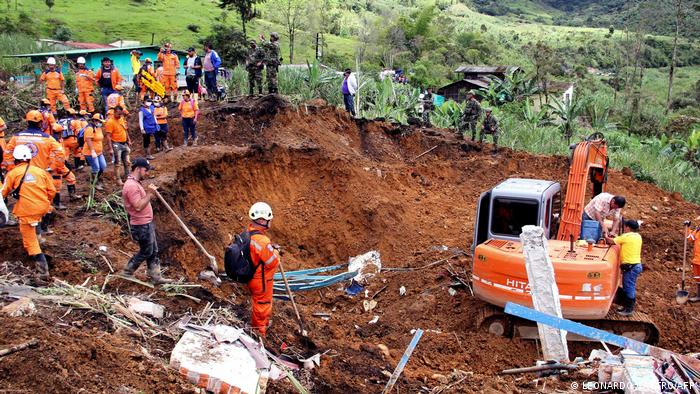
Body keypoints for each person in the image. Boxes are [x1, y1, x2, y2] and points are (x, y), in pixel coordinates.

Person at [1, 145, 56, 282]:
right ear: (30, 159)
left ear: (15, 159)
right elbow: (52, 191)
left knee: (29, 241)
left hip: (27, 210)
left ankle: (42, 271)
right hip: (43, 207)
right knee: (36, 219)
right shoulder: (40, 172)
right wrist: (45, 203)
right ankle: (41, 233)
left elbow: (2, 193)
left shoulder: (13, 174)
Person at [120, 157, 172, 284]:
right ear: (138, 169)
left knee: (153, 250)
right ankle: (127, 272)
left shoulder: (136, 183)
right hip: (141, 225)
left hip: (146, 223)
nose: (147, 172)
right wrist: (149, 193)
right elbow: (138, 206)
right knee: (146, 250)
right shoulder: (131, 186)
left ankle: (155, 277)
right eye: (146, 170)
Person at [245, 202, 280, 337]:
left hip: (253, 276)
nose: (270, 221)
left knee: (259, 304)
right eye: (269, 219)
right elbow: (273, 262)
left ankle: (260, 326)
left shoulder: (249, 233)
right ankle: (259, 334)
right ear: (261, 220)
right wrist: (276, 252)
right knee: (262, 305)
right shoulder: (262, 241)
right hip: (261, 280)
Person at [606, 219, 642, 316]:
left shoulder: (626, 236)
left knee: (629, 287)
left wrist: (606, 235)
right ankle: (627, 306)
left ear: (628, 228)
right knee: (629, 286)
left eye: (625, 227)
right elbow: (621, 240)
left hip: (631, 266)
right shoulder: (638, 236)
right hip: (636, 265)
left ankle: (629, 309)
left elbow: (611, 241)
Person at [103, 106, 131, 185]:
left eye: (121, 114)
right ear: (114, 112)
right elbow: (108, 136)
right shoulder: (110, 122)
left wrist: (128, 139)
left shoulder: (121, 119)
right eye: (118, 114)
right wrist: (110, 148)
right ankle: (118, 179)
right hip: (116, 144)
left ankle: (128, 176)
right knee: (118, 163)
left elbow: (124, 129)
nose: (119, 116)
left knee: (127, 162)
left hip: (124, 143)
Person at [83, 113, 107, 190]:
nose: (101, 123)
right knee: (96, 168)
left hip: (99, 152)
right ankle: (94, 183)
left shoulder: (98, 128)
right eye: (99, 121)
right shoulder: (90, 128)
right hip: (90, 153)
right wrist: (92, 151)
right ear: (94, 121)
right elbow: (88, 140)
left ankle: (95, 178)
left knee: (103, 166)